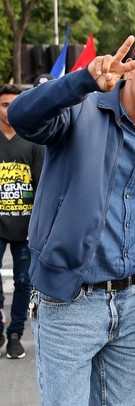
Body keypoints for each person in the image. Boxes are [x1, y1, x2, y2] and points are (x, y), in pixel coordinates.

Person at [8, 33, 135, 404]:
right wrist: (81, 82)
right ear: (131, 70)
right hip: (69, 299)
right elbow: (21, 116)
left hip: (131, 301)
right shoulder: (81, 108)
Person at [0, 84, 44, 359]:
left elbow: (42, 186)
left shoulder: (33, 140)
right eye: (4, 104)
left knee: (23, 281)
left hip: (25, 228)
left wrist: (37, 226)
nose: (9, 110)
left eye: (14, 104)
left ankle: (15, 333)